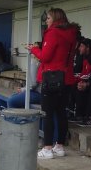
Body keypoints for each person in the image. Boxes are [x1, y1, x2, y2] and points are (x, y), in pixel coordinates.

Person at [26, 8, 77, 159]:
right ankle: (59, 146)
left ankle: (47, 148)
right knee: (61, 113)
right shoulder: (71, 33)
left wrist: (34, 49)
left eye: (48, 18)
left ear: (54, 18)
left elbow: (46, 57)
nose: (46, 20)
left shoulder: (52, 32)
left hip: (52, 78)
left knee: (47, 113)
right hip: (67, 78)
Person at [69, 37, 91, 123]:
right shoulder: (84, 57)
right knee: (72, 85)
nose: (79, 48)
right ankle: (72, 112)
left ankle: (80, 115)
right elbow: (83, 73)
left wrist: (82, 81)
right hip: (86, 80)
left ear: (88, 47)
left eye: (81, 46)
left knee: (79, 88)